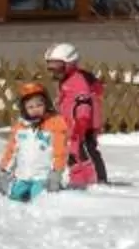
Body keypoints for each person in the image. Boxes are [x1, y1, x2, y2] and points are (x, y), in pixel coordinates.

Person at [43, 44, 106, 187]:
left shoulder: (78, 80)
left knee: (87, 152)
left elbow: (84, 101)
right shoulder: (67, 79)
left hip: (84, 124)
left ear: (70, 63)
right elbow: (69, 98)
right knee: (73, 153)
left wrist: (81, 122)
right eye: (50, 66)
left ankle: (97, 181)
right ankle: (78, 180)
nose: (53, 70)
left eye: (57, 66)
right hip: (71, 124)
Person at [0, 80, 69, 201]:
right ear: (24, 109)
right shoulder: (20, 128)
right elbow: (11, 151)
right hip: (22, 176)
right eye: (30, 107)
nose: (35, 109)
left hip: (43, 177)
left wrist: (56, 173)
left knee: (39, 198)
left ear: (46, 104)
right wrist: (4, 170)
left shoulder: (54, 124)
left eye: (39, 105)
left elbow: (60, 152)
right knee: (14, 197)